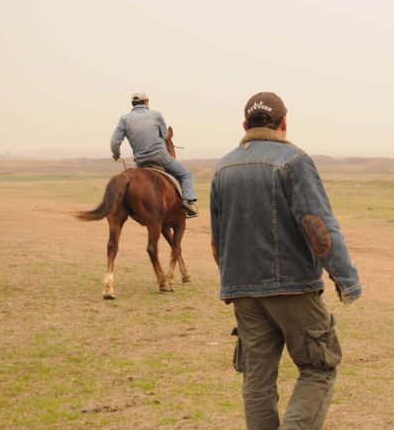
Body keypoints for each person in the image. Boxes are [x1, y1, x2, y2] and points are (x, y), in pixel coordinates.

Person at [210, 92, 362, 430]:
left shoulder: (223, 167)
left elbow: (217, 236)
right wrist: (346, 279)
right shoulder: (294, 161)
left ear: (244, 125)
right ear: (283, 125)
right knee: (319, 366)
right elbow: (319, 226)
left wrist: (232, 282)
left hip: (243, 290)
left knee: (257, 378)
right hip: (292, 286)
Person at [110, 92, 198, 217]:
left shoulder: (124, 119)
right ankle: (187, 201)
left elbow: (114, 142)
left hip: (140, 161)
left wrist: (116, 154)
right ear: (146, 102)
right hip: (161, 157)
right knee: (186, 174)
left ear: (133, 104)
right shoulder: (156, 115)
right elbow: (165, 136)